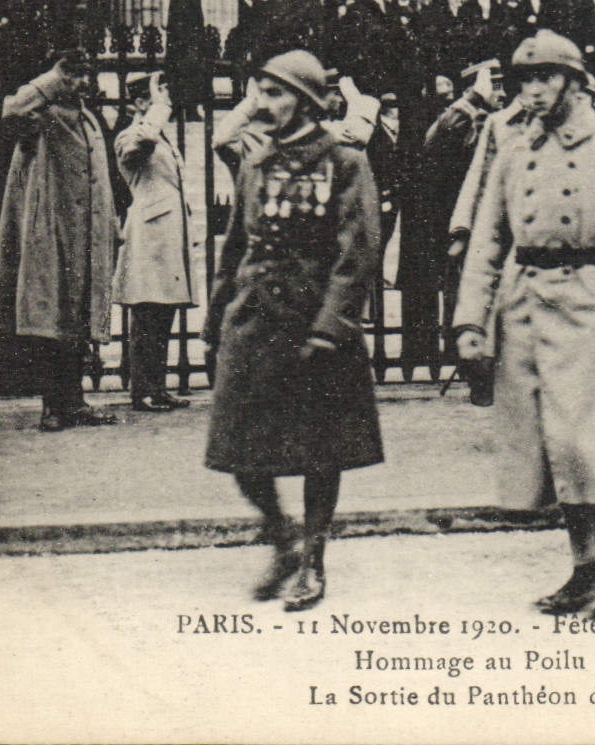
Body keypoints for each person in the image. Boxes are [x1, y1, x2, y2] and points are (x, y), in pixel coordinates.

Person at [453, 30, 595, 621]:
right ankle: (586, 569)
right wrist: (470, 319)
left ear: (575, 83)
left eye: (544, 78)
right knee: (551, 451)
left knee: (587, 448)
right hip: (526, 303)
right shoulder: (513, 147)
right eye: (523, 80)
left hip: (594, 304)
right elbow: (489, 238)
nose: (531, 92)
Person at [202, 49, 384, 612]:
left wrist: (331, 326)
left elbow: (358, 252)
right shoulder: (256, 161)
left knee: (319, 449)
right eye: (259, 91)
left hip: (313, 323)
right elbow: (236, 245)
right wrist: (215, 317)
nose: (263, 103)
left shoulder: (345, 161)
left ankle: (313, 561)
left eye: (276, 93)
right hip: (255, 320)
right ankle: (283, 537)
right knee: (237, 448)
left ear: (305, 100)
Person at [0, 49, 121, 432]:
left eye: (85, 76)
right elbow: (11, 109)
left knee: (77, 321)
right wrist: (51, 78)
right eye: (74, 76)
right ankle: (53, 406)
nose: (82, 83)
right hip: (52, 235)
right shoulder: (40, 117)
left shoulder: (89, 120)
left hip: (86, 238)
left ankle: (74, 402)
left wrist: (109, 222)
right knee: (51, 322)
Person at [438, 57, 531, 406]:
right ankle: (483, 375)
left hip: (541, 228)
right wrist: (462, 230)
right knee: (491, 300)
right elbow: (478, 177)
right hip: (502, 227)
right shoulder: (497, 124)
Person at [114, 73, 197, 413]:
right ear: (138, 104)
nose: (164, 103)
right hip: (149, 238)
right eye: (153, 97)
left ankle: (157, 387)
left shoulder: (160, 139)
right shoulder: (130, 136)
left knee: (163, 315)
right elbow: (140, 145)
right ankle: (142, 391)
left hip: (167, 237)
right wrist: (158, 109)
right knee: (147, 315)